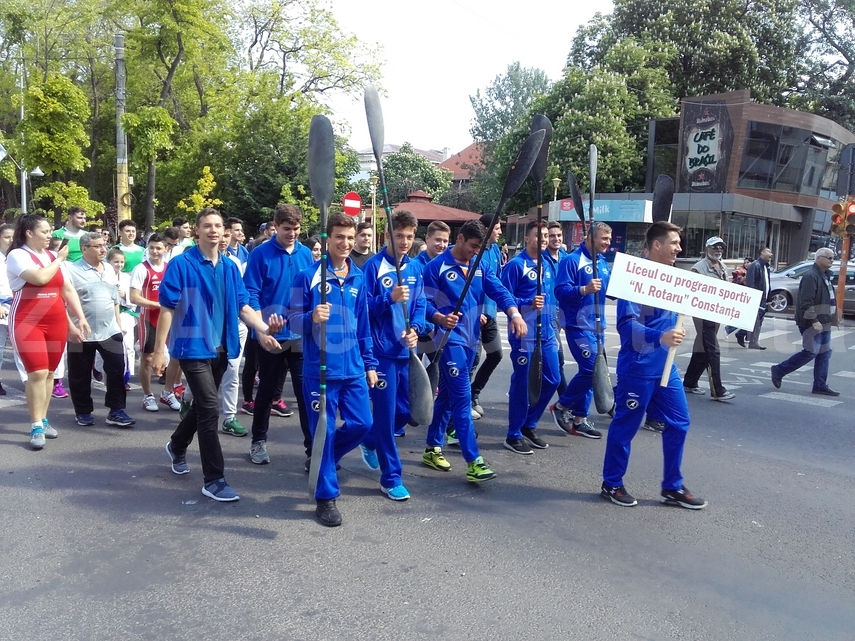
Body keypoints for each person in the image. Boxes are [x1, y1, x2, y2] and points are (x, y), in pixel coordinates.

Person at [155, 208, 283, 502]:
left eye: (217, 226)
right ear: (197, 231)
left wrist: (264, 328)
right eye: (207, 226)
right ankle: (214, 479)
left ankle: (177, 445)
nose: (213, 230)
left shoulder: (229, 267)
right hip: (191, 347)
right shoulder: (181, 264)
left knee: (203, 405)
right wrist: (160, 349)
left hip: (222, 348)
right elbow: (167, 308)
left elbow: (243, 306)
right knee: (211, 408)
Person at [601, 220, 707, 510]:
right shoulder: (634, 278)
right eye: (674, 243)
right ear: (657, 245)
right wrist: (659, 336)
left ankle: (672, 486)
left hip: (666, 368)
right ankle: (612, 483)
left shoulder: (673, 278)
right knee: (626, 427)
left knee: (679, 422)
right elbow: (626, 325)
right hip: (638, 368)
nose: (679, 249)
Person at [288, 212, 378, 526]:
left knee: (363, 424)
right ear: (328, 238)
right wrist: (311, 317)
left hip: (353, 369)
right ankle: (326, 497)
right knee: (323, 434)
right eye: (340, 236)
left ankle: (321, 460)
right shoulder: (306, 276)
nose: (346, 243)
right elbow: (292, 321)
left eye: (350, 238)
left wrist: (370, 364)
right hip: (320, 370)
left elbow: (364, 325)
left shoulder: (359, 276)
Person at [421, 219, 526, 483]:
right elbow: (423, 304)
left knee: (447, 396)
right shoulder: (436, 267)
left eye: (480, 248)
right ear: (460, 239)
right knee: (462, 397)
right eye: (473, 246)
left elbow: (499, 291)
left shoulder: (480, 264)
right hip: (448, 341)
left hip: (471, 340)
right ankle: (473, 461)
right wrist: (439, 317)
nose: (476, 252)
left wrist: (514, 314)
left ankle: (432, 447)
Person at [6, 214, 89, 449]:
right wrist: (59, 259)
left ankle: (43, 418)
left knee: (51, 372)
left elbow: (67, 289)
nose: (49, 235)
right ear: (29, 233)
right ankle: (35, 425)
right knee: (37, 373)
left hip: (55, 322)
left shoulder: (52, 256)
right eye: (44, 231)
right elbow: (40, 278)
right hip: (28, 322)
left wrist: (79, 318)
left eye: (50, 231)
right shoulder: (18, 255)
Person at [358, 209, 426, 500]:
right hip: (382, 353)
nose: (404, 242)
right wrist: (389, 298)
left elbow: (421, 304)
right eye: (399, 236)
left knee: (407, 412)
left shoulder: (415, 268)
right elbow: (362, 309)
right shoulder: (372, 267)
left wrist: (417, 329)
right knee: (386, 418)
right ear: (388, 235)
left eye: (409, 237)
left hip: (406, 352)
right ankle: (391, 478)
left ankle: (368, 439)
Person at [243, 204, 313, 465]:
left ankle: (313, 450)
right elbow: (251, 294)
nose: (292, 234)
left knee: (306, 394)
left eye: (296, 229)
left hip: (299, 336)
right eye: (286, 229)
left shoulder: (306, 254)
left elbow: (312, 291)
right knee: (266, 392)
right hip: (270, 337)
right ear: (275, 226)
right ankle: (258, 442)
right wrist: (260, 329)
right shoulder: (260, 254)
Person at [500, 221, 560, 453]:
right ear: (527, 238)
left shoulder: (549, 263)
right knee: (523, 383)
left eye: (546, 235)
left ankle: (529, 423)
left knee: (553, 379)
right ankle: (513, 434)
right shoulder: (516, 265)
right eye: (539, 235)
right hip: (524, 333)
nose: (544, 239)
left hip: (547, 332)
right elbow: (503, 298)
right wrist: (527, 303)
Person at [550, 222, 613, 438]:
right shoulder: (571, 260)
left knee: (593, 374)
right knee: (590, 370)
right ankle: (561, 406)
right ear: (590, 238)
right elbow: (560, 291)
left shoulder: (602, 262)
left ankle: (579, 419)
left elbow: (610, 292)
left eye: (609, 239)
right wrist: (584, 289)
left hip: (598, 327)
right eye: (604, 238)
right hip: (578, 325)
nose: (608, 243)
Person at [65, 232, 135, 427]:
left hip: (110, 331)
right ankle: (83, 411)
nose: (104, 249)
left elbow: (115, 299)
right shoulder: (71, 270)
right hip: (80, 333)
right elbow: (62, 302)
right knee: (79, 374)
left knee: (116, 369)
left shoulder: (109, 269)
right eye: (98, 246)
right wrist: (70, 327)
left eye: (104, 245)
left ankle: (116, 410)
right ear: (84, 249)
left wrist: (118, 325)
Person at [771, 248, 839, 396]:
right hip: (812, 322)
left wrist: (833, 317)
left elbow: (828, 298)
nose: (832, 261)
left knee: (824, 353)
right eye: (829, 258)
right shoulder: (811, 276)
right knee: (811, 352)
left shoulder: (825, 275)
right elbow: (806, 302)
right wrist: (814, 320)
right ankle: (779, 370)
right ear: (819, 258)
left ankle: (820, 385)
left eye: (832, 258)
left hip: (825, 321)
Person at [130, 233, 181, 411]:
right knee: (148, 358)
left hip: (170, 318)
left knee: (175, 356)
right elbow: (134, 297)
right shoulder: (141, 269)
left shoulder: (170, 268)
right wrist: (158, 304)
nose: (154, 251)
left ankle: (168, 392)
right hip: (149, 319)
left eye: (158, 248)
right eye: (151, 247)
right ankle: (148, 395)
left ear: (166, 249)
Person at [681, 236, 735, 401]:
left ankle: (690, 382)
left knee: (702, 348)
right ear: (707, 249)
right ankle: (717, 390)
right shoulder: (698, 268)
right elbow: (691, 291)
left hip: (716, 313)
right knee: (712, 350)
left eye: (721, 247)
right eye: (715, 247)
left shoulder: (722, 267)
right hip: (703, 314)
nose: (718, 250)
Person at [469, 213, 505, 419]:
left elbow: (496, 282)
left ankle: (474, 392)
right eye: (497, 228)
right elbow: (472, 286)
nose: (500, 232)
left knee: (496, 354)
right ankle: (464, 402)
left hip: (490, 313)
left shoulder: (496, 250)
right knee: (472, 360)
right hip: (476, 315)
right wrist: (478, 311)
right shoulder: (475, 252)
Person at [413, 221, 450, 401]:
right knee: (412, 378)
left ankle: (434, 410)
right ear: (427, 238)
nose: (441, 245)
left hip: (438, 329)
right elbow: (417, 301)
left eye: (445, 241)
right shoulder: (415, 265)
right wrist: (429, 326)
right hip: (418, 330)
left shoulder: (447, 264)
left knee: (441, 375)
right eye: (438, 240)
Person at [542, 221, 569, 396]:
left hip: (565, 312)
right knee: (557, 357)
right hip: (547, 314)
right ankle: (564, 400)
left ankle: (528, 389)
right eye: (551, 236)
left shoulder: (567, 258)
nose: (556, 239)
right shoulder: (539, 258)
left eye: (559, 235)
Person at [104, 247, 137, 387]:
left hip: (125, 313)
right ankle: (100, 370)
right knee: (106, 347)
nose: (119, 264)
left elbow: (134, 297)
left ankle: (126, 375)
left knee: (128, 345)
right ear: (109, 262)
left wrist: (125, 296)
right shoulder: (103, 276)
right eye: (116, 261)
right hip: (107, 314)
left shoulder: (127, 278)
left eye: (121, 262)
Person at [737, 248, 773, 349]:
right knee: (755, 320)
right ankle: (750, 340)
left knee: (758, 320)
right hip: (756, 298)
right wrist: (753, 297)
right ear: (762, 253)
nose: (771, 254)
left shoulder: (766, 266)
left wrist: (769, 297)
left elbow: (767, 282)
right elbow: (750, 283)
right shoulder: (755, 265)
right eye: (769, 252)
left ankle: (747, 338)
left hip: (763, 298)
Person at [0, 223, 15, 395]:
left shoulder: (15, 257)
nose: (10, 240)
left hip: (15, 306)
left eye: (12, 237)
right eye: (6, 237)